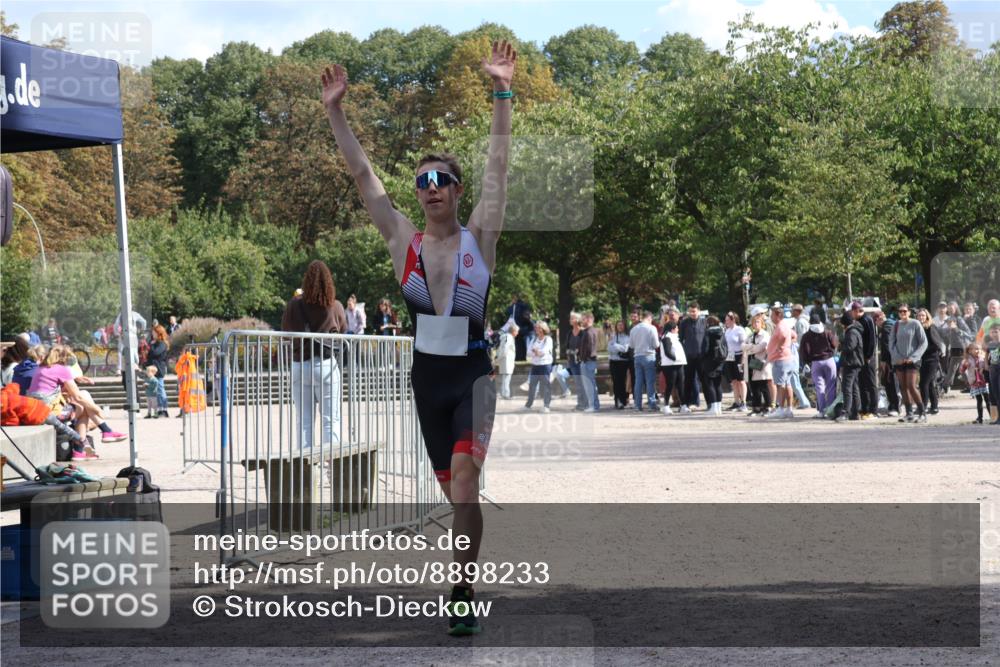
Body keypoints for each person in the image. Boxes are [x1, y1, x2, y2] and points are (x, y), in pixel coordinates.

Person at [323, 40, 515, 636]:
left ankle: (461, 588)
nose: (431, 187)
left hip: (472, 375)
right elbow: (362, 175)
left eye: (442, 180)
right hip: (426, 378)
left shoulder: (479, 236)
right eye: (423, 180)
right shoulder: (402, 238)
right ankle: (463, 576)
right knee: (452, 492)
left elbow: (500, 167)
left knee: (465, 483)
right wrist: (335, 111)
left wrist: (502, 93)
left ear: (457, 190)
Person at [281, 260, 348, 451]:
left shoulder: (294, 305)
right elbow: (344, 330)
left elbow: (285, 331)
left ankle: (305, 472)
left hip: (299, 364)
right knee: (330, 419)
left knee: (304, 421)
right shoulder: (335, 306)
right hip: (326, 365)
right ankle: (332, 469)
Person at [27, 345, 126, 443]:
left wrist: (75, 379)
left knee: (83, 401)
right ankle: (84, 446)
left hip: (36, 412)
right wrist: (97, 409)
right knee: (83, 403)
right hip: (50, 415)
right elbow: (78, 397)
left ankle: (105, 432)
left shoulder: (41, 369)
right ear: (64, 357)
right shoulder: (61, 369)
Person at [889, 304, 928, 423]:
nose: (902, 313)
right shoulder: (895, 325)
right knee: (903, 387)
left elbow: (923, 343)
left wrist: (913, 357)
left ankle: (922, 412)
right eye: (900, 311)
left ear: (909, 312)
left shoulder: (915, 324)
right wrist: (897, 357)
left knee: (911, 385)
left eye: (904, 311)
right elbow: (891, 343)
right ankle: (909, 413)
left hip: (913, 360)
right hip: (899, 360)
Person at [800, 311, 838, 419]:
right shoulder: (827, 332)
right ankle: (831, 411)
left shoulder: (807, 336)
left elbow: (804, 351)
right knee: (831, 386)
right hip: (830, 361)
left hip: (816, 363)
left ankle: (821, 411)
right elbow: (834, 345)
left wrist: (807, 362)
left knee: (819, 387)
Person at [766, 303, 796, 419]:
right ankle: (789, 409)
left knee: (781, 385)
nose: (771, 317)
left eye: (772, 315)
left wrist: (779, 347)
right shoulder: (784, 325)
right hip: (786, 358)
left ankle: (781, 409)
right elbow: (794, 335)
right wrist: (786, 345)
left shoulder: (780, 326)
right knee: (787, 384)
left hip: (781, 359)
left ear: (778, 315)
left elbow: (784, 336)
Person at [849, 301, 879, 419]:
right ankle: (865, 408)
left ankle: (874, 409)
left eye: (853, 312)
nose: (852, 314)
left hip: (867, 357)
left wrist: (868, 356)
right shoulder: (857, 321)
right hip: (859, 358)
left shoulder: (867, 320)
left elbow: (872, 340)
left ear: (857, 311)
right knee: (862, 383)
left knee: (871, 383)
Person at [743, 310, 773, 417]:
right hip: (751, 363)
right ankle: (756, 408)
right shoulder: (751, 335)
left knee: (763, 386)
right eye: (754, 322)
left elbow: (761, 347)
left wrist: (749, 348)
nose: (755, 324)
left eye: (758, 322)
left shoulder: (765, 334)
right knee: (754, 387)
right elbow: (743, 345)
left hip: (761, 363)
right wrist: (752, 348)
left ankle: (768, 407)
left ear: (762, 324)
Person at [916, 308, 945, 417]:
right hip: (922, 360)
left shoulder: (931, 327)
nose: (921, 317)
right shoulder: (917, 328)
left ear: (927, 317)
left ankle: (923, 407)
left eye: (923, 315)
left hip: (931, 360)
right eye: (919, 316)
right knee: (929, 384)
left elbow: (936, 345)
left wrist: (921, 350)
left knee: (923, 383)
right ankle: (934, 407)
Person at [836, 311, 865, 422]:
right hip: (855, 362)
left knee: (847, 387)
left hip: (851, 363)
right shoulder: (854, 331)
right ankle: (855, 412)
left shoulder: (851, 332)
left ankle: (846, 413)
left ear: (844, 322)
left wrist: (840, 345)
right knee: (854, 388)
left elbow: (850, 347)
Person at [629, 311, 660, 411]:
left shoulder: (633, 329)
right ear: (650, 318)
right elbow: (656, 344)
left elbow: (631, 346)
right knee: (650, 382)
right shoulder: (652, 328)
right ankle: (652, 404)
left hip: (637, 356)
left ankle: (637, 405)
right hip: (649, 356)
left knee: (638, 382)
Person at [678, 302, 706, 410]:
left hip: (701, 356)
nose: (692, 313)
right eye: (690, 311)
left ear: (698, 311)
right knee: (688, 380)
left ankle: (709, 404)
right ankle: (687, 403)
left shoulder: (704, 322)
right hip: (688, 356)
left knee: (704, 380)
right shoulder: (684, 323)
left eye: (694, 311)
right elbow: (680, 339)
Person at [874, 309, 900, 417]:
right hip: (896, 358)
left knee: (890, 383)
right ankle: (894, 405)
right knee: (892, 382)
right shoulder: (893, 323)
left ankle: (895, 407)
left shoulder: (886, 327)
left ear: (878, 320)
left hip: (890, 360)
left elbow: (886, 346)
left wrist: (884, 361)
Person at [658, 319, 686, 415]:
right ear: (673, 328)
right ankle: (666, 405)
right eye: (677, 327)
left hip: (679, 364)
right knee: (670, 385)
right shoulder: (666, 337)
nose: (678, 329)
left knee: (681, 385)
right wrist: (676, 358)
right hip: (669, 365)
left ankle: (683, 405)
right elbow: (667, 352)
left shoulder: (675, 337)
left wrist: (680, 360)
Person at [524, 322, 553, 413]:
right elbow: (528, 352)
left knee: (545, 386)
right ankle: (528, 405)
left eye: (538, 327)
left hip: (545, 366)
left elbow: (543, 352)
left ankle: (546, 406)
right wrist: (536, 352)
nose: (536, 329)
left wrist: (536, 352)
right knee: (532, 385)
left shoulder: (548, 339)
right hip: (535, 366)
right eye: (535, 327)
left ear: (543, 329)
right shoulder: (533, 339)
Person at [958, 343, 990, 423]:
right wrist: (964, 365)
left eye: (978, 349)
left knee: (987, 399)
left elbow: (987, 367)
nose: (977, 351)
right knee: (979, 400)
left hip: (983, 382)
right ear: (969, 351)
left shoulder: (982, 358)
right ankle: (980, 417)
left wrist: (983, 369)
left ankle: (992, 416)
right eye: (975, 349)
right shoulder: (967, 360)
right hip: (974, 382)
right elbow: (961, 370)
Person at [722, 312, 748, 412]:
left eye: (727, 320)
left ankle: (744, 402)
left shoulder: (740, 330)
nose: (726, 322)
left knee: (741, 380)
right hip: (730, 356)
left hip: (738, 355)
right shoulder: (727, 331)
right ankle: (736, 402)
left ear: (733, 320)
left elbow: (744, 344)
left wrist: (743, 358)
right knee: (733, 381)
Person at [701, 316, 726, 415]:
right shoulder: (722, 332)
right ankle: (719, 407)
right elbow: (725, 346)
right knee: (718, 384)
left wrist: (702, 356)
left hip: (709, 361)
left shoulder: (708, 333)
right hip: (720, 361)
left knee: (710, 384)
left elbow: (705, 348)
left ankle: (713, 407)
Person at [146, 325, 171, 418]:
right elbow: (149, 356)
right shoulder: (155, 343)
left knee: (160, 390)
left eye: (154, 332)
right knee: (155, 391)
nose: (152, 334)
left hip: (159, 369)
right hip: (152, 370)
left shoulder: (162, 343)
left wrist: (152, 345)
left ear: (159, 333)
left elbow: (156, 353)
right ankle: (157, 411)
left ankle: (163, 410)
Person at [578, 312, 600, 412]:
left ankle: (593, 405)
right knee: (589, 384)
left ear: (589, 319)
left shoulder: (589, 332)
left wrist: (585, 358)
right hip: (587, 361)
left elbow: (590, 348)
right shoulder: (587, 331)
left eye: (583, 319)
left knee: (590, 385)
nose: (581, 321)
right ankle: (592, 405)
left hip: (588, 361)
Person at [607, 320, 631, 409]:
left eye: (622, 325)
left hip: (623, 362)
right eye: (618, 325)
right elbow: (609, 349)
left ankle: (623, 400)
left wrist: (615, 345)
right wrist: (617, 347)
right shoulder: (612, 336)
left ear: (624, 326)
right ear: (616, 327)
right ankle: (617, 400)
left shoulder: (627, 337)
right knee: (616, 382)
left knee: (623, 382)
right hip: (614, 361)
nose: (620, 327)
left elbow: (625, 349)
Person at [565, 312, 586, 411]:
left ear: (577, 320)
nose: (570, 319)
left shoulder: (583, 332)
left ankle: (585, 403)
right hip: (572, 361)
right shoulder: (569, 332)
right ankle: (581, 404)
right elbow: (567, 346)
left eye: (572, 318)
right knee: (578, 383)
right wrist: (568, 354)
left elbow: (585, 346)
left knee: (583, 382)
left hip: (581, 361)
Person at [506, 295, 532, 362]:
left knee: (515, 344)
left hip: (513, 328)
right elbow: (527, 317)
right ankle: (521, 358)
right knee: (522, 345)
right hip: (523, 329)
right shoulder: (524, 306)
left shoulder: (510, 308)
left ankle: (516, 358)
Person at [496, 323, 518, 400]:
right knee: (506, 378)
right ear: (513, 331)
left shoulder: (506, 337)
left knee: (505, 378)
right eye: (517, 331)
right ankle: (506, 394)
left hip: (506, 360)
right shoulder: (509, 337)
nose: (517, 333)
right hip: (507, 360)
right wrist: (499, 358)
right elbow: (505, 349)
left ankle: (504, 393)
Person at [986, 323, 1000, 424]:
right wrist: (986, 365)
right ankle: (998, 418)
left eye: (996, 331)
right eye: (992, 332)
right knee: (996, 394)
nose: (995, 334)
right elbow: (987, 354)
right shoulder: (990, 344)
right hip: (993, 370)